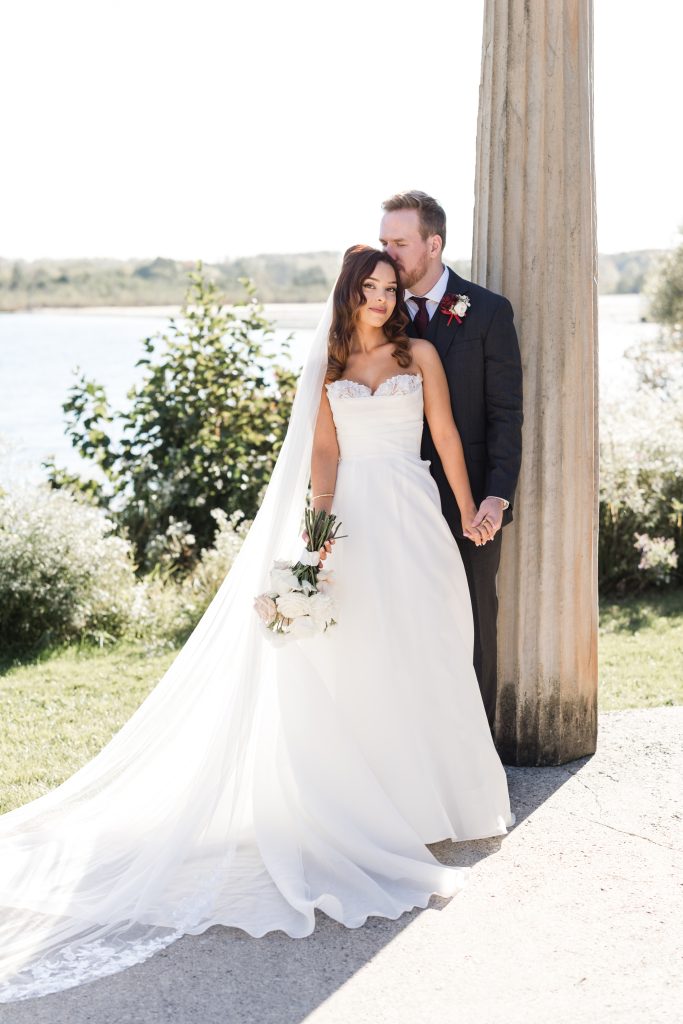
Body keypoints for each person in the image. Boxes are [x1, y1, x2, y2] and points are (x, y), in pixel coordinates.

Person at [0, 245, 514, 1004]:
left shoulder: (423, 353)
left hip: (414, 513)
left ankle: (448, 798)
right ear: (348, 295)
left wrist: (469, 506)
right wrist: (314, 543)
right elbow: (325, 463)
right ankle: (386, 806)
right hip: (354, 527)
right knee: (365, 659)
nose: (380, 298)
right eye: (368, 289)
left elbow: (442, 437)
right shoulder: (331, 368)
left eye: (388, 287)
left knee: (433, 649)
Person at [380, 191, 523, 735]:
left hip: (473, 502)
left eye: (400, 242)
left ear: (433, 244)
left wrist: (496, 494)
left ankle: (476, 756)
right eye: (384, 241)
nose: (388, 253)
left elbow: (506, 414)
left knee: (474, 626)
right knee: (403, 623)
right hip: (395, 496)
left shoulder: (487, 311)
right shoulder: (377, 310)